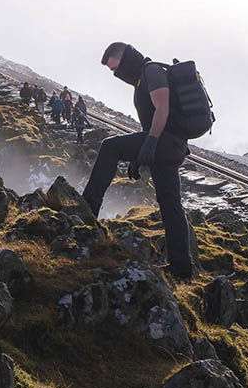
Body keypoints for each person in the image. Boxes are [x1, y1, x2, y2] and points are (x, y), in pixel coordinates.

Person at [83, 42, 194, 280]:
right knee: (170, 205)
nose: (117, 75)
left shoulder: (151, 71)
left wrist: (151, 141)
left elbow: (162, 107)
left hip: (165, 142)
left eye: (116, 69)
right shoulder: (142, 79)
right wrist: (139, 155)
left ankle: (87, 209)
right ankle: (182, 269)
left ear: (126, 58)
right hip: (171, 146)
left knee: (109, 147)